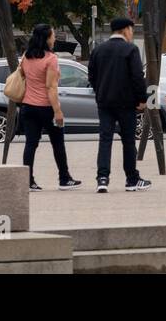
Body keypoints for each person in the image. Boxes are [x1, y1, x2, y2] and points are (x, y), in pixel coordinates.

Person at [88, 17, 150, 192]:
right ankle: (131, 179)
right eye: (131, 29)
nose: (132, 33)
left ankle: (102, 178)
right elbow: (138, 77)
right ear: (124, 30)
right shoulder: (131, 50)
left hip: (104, 102)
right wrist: (142, 99)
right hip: (126, 103)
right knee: (128, 141)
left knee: (105, 140)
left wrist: (100, 90)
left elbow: (91, 76)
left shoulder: (98, 50)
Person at [17, 24, 80, 192]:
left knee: (30, 144)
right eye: (52, 35)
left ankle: (28, 181)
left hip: (28, 106)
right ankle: (64, 179)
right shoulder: (51, 59)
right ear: (46, 38)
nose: (54, 38)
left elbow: (23, 76)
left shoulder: (26, 57)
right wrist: (58, 111)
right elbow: (51, 87)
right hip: (46, 107)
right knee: (58, 143)